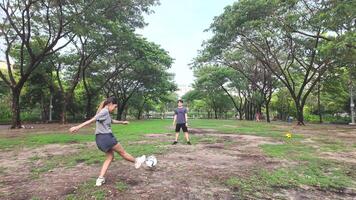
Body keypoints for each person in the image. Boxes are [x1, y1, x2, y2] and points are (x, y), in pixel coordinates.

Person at [69, 97, 146, 186]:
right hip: (106, 137)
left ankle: (100, 179)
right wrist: (77, 127)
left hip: (100, 140)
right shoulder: (104, 111)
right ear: (110, 104)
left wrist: (122, 122)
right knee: (123, 152)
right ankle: (137, 161)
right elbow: (92, 120)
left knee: (110, 157)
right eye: (115, 106)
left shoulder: (105, 113)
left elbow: (111, 121)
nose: (115, 109)